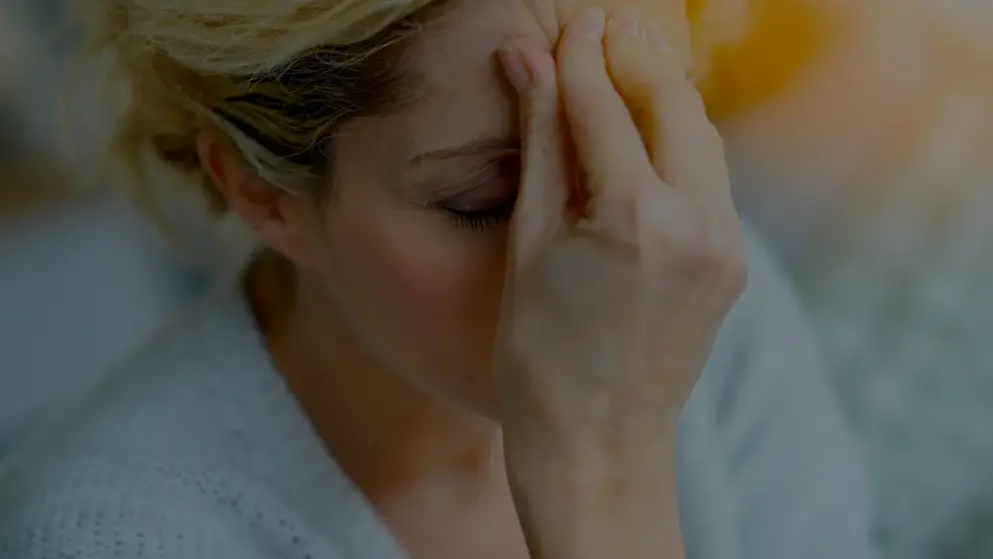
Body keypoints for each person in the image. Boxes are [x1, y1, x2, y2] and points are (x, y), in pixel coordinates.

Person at [0, 1, 878, 558]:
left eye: (637, 138)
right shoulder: (109, 535)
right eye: (489, 197)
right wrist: (598, 468)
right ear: (262, 193)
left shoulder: (693, 277)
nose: (614, 244)